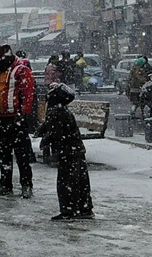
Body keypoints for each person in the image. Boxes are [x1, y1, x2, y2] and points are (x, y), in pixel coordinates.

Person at [0, 44, 36, 199]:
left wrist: (23, 115)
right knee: (3, 154)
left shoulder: (21, 71)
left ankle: (26, 184)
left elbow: (28, 95)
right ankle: (5, 184)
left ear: (6, 58)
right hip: (1, 118)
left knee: (22, 155)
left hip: (15, 118)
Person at [36, 83, 95, 220]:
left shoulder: (56, 111)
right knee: (80, 180)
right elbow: (53, 127)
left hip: (67, 151)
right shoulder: (62, 110)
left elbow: (55, 131)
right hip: (76, 150)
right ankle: (84, 208)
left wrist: (44, 140)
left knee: (66, 182)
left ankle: (68, 210)